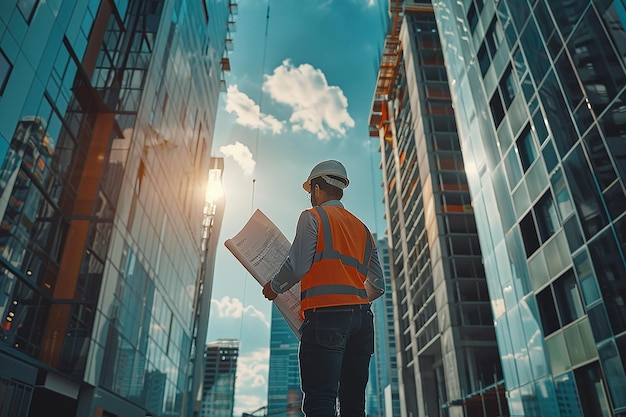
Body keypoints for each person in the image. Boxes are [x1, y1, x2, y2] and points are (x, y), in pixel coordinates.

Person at [262, 160, 385, 417]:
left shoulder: (313, 217)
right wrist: (354, 301)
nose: (310, 198)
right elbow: (378, 285)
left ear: (317, 189)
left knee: (320, 400)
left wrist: (273, 288)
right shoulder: (363, 229)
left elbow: (297, 267)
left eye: (310, 192)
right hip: (362, 320)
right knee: (353, 405)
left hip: (326, 317)